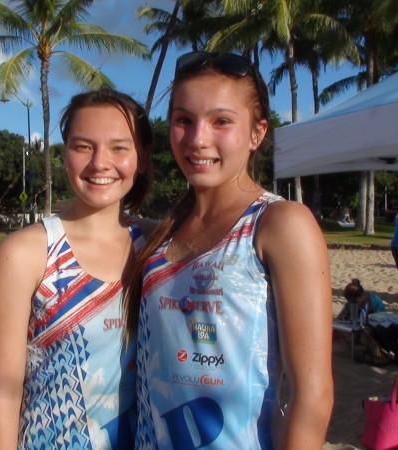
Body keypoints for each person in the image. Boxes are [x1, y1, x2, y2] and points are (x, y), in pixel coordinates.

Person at [125, 52, 333, 449]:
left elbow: (313, 394)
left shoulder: (279, 224)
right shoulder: (160, 235)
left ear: (257, 133)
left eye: (221, 121)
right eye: (183, 120)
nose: (198, 138)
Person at [0, 87, 155, 449]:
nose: (99, 163)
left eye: (119, 147)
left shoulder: (155, 246)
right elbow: (3, 395)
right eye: (83, 146)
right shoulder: (26, 253)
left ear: (141, 159)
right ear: (64, 155)